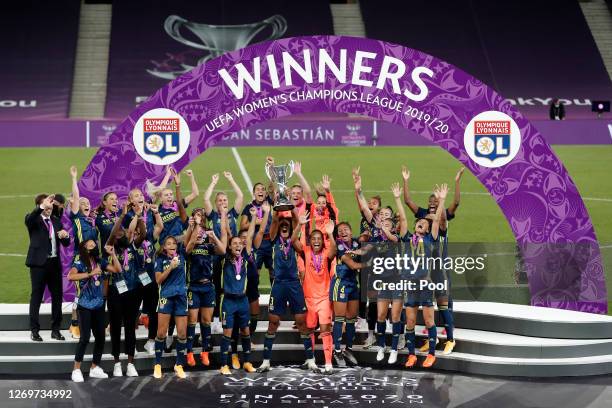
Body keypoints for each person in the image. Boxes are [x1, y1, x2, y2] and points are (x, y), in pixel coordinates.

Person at [403, 167, 464, 355]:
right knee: (429, 305)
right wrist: (406, 180)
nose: (432, 204)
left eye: (435, 202)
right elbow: (408, 202)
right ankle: (434, 338)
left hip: (441, 269)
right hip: (425, 272)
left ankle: (451, 340)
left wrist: (452, 188)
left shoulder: (440, 226)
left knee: (444, 305)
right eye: (430, 202)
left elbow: (443, 216)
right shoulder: (423, 229)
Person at [257, 209, 315, 373]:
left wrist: (296, 216)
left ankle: (310, 360)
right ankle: (266, 361)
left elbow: (295, 238)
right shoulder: (274, 239)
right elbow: (275, 221)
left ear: (290, 228)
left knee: (302, 323)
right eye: (282, 224)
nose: (284, 225)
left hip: (294, 284)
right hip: (279, 284)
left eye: (287, 224)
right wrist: (279, 207)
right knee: (273, 322)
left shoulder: (294, 242)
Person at [403, 184, 448, 369]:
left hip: (425, 285)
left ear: (428, 229)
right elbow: (404, 220)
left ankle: (431, 354)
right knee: (411, 322)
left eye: (425, 224)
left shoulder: (430, 239)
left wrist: (442, 200)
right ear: (415, 226)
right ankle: (412, 355)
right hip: (410, 285)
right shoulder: (407, 238)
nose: (422, 224)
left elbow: (437, 221)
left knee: (429, 321)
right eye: (419, 223)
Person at [69, 240, 121, 382]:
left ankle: (94, 367)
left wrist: (113, 254)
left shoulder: (101, 262)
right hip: (85, 305)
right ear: (84, 248)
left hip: (98, 305)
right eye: (90, 245)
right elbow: (71, 276)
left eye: (94, 245)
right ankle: (76, 369)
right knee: (85, 338)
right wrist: (90, 274)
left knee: (100, 338)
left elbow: (117, 270)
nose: (93, 247)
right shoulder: (79, 262)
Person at [106, 202, 147, 377]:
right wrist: (122, 216)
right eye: (118, 233)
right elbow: (115, 230)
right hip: (116, 292)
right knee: (115, 327)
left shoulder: (133, 245)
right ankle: (116, 362)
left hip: (133, 292)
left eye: (124, 232)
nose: (121, 233)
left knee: (131, 327)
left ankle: (130, 363)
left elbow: (141, 232)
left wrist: (139, 213)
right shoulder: (109, 248)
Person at [293, 214, 337, 373]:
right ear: (310, 241)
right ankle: (310, 360)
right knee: (309, 329)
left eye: (319, 238)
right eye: (313, 238)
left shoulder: (326, 253)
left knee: (325, 329)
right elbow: (293, 241)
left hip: (324, 298)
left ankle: (328, 363)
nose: (316, 241)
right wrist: (299, 225)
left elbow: (334, 250)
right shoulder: (305, 251)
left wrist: (331, 234)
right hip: (309, 298)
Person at [184, 208, 227, 367]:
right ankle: (189, 352)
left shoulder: (209, 246)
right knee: (192, 320)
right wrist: (194, 228)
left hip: (208, 287)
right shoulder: (192, 246)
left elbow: (222, 250)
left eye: (201, 218)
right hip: (194, 287)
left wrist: (213, 236)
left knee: (206, 321)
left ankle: (204, 352)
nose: (201, 233)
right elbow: (187, 248)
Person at [25, 194, 70, 341]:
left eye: (51, 205)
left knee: (57, 297)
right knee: (36, 297)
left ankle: (55, 330)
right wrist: (42, 206)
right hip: (38, 265)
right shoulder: (33, 219)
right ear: (40, 205)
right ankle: (34, 330)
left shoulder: (56, 221)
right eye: (47, 205)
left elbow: (66, 244)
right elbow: (31, 218)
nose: (50, 207)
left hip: (54, 264)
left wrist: (65, 236)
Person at [218, 230, 258, 375]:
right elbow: (223, 237)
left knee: (246, 331)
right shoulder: (224, 259)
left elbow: (251, 237)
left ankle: (247, 362)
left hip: (242, 300)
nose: (238, 245)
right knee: (227, 332)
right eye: (234, 243)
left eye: (240, 243)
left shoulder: (246, 260)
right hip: (228, 300)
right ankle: (223, 365)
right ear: (229, 247)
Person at [153, 235, 189, 379]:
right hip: (166, 297)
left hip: (180, 297)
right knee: (161, 333)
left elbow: (189, 239)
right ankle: (157, 365)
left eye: (174, 243)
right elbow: (158, 280)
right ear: (164, 247)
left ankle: (179, 365)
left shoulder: (183, 256)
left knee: (182, 334)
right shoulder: (160, 260)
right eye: (169, 243)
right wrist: (170, 268)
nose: (172, 245)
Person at [330, 222, 362, 367]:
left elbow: (367, 243)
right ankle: (336, 350)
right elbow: (353, 265)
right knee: (339, 319)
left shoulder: (356, 242)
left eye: (346, 229)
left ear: (351, 231)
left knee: (351, 319)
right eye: (340, 231)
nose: (343, 232)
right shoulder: (340, 247)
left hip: (353, 284)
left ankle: (348, 349)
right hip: (341, 284)